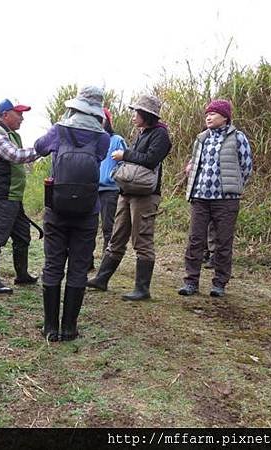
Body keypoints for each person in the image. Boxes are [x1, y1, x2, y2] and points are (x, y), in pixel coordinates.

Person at [34, 86, 110, 341]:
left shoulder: (60, 129)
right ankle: (69, 329)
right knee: (78, 268)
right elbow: (99, 157)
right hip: (88, 211)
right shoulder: (103, 138)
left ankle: (49, 328)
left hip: (56, 210)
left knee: (53, 264)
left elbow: (39, 147)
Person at [87, 94, 172, 301]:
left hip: (146, 195)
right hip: (128, 192)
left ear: (146, 114)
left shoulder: (160, 135)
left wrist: (124, 155)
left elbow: (151, 160)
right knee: (117, 237)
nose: (133, 116)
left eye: (136, 112)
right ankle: (101, 279)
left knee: (141, 239)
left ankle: (142, 289)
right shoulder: (143, 133)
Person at [178, 99, 253, 298]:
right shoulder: (202, 138)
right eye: (207, 114)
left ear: (225, 117)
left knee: (223, 242)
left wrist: (233, 188)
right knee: (195, 240)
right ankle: (191, 282)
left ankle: (219, 283)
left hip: (226, 199)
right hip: (200, 197)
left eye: (213, 113)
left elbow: (246, 167)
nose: (208, 117)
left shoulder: (237, 138)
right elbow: (195, 163)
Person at [0, 98, 43, 294]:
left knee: (22, 236)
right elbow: (15, 156)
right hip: (0, 195)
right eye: (19, 113)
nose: (22, 118)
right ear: (5, 114)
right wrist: (43, 148)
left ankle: (22, 275)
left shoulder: (11, 134)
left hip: (13, 196)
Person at [89, 107, 128, 269]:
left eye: (102, 118)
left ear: (107, 121)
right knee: (88, 227)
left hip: (110, 190)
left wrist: (113, 175)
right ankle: (86, 261)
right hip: (90, 189)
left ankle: (106, 264)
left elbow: (125, 162)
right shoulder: (89, 139)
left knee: (108, 227)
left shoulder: (117, 140)